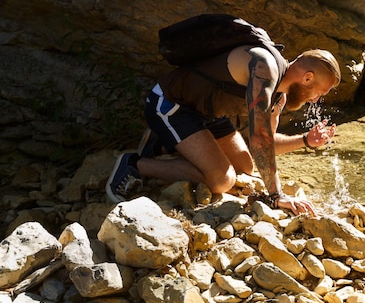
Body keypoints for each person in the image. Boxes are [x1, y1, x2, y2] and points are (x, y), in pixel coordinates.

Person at [106, 17, 341, 216]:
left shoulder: (279, 96)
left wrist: (306, 141)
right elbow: (259, 137)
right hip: (172, 104)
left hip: (207, 114)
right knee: (222, 180)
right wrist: (276, 196)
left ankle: (163, 145)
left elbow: (263, 145)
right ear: (308, 77)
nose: (315, 100)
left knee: (245, 166)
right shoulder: (265, 67)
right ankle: (135, 164)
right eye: (320, 93)